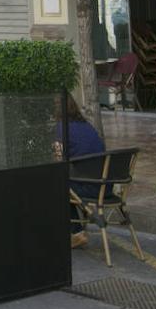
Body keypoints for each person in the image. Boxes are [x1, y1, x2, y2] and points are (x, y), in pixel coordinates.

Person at [62, 99, 107, 250]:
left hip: (88, 188)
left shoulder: (62, 128)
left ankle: (75, 232)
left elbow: (56, 158)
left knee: (57, 185)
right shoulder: (87, 126)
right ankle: (80, 222)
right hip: (105, 187)